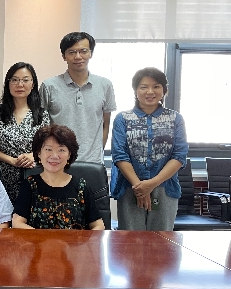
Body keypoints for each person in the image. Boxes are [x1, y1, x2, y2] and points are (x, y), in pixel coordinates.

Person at [111, 67, 188, 231]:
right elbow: (119, 155)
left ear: (164, 90)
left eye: (156, 86)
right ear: (135, 90)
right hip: (130, 188)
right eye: (144, 87)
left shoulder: (175, 119)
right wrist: (140, 188)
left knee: (162, 240)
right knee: (131, 240)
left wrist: (152, 184)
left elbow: (179, 155)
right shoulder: (122, 119)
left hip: (165, 188)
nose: (150, 92)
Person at [39, 32, 116, 163]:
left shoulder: (105, 85)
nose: (78, 56)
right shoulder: (49, 86)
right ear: (64, 56)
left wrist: (97, 153)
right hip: (57, 162)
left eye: (83, 51)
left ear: (91, 53)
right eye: (72, 52)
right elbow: (42, 126)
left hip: (93, 162)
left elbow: (106, 124)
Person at [12, 124, 105, 230]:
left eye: (61, 150)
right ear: (39, 153)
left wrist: (85, 241)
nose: (54, 156)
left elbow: (98, 225)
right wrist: (43, 238)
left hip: (75, 241)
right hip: (38, 241)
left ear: (69, 155)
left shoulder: (81, 186)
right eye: (48, 149)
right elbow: (17, 223)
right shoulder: (30, 184)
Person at [0, 62, 50, 204]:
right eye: (14, 80)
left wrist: (33, 155)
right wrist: (10, 160)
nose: (20, 84)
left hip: (33, 174)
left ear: (33, 84)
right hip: (2, 176)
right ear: (8, 84)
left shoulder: (41, 115)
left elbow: (47, 146)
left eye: (25, 80)